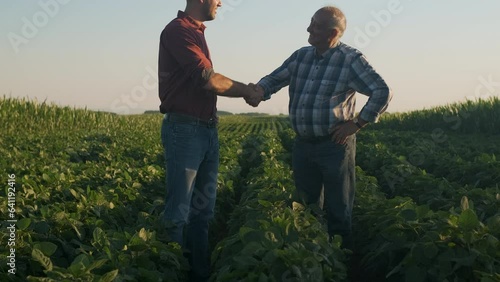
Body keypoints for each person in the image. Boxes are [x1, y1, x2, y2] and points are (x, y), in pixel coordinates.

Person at [251, 6, 392, 249]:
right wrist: (257, 91)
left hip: (334, 146)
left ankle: (340, 260)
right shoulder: (301, 56)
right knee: (305, 208)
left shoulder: (350, 60)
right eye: (311, 23)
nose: (308, 29)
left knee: (339, 209)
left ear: (333, 33)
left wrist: (357, 123)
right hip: (303, 145)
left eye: (315, 25)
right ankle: (312, 257)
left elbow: (382, 91)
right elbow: (274, 79)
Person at [157, 0, 262, 281]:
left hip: (206, 130)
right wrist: (247, 91)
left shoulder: (198, 32)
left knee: (202, 213)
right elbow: (207, 79)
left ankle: (199, 274)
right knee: (178, 214)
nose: (221, 2)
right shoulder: (178, 30)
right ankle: (173, 273)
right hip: (186, 130)